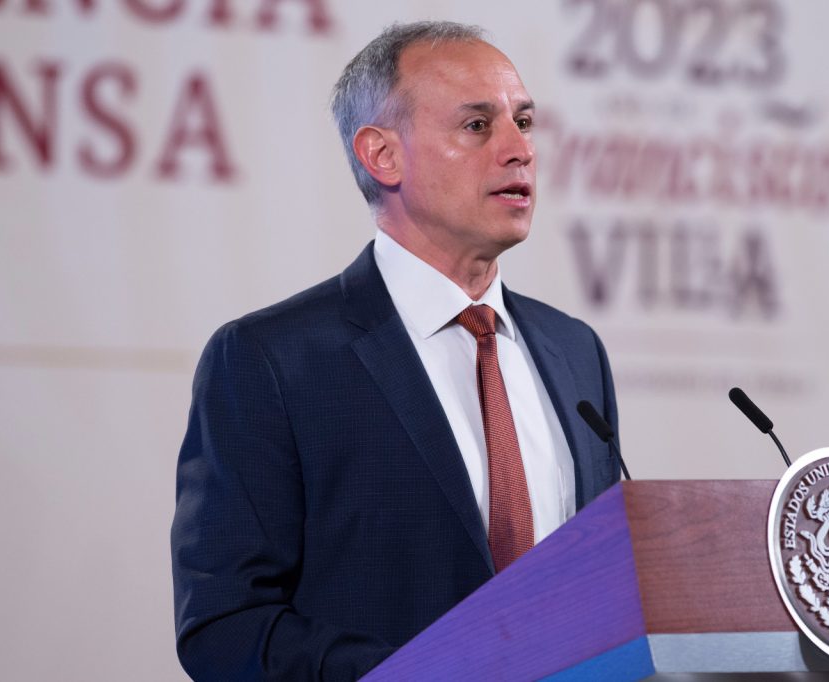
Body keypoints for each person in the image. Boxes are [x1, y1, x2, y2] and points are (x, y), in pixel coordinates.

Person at [171, 21, 620, 681]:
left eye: (524, 122)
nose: (520, 150)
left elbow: (601, 589)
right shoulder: (273, 361)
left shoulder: (575, 351)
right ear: (382, 155)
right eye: (477, 126)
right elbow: (226, 627)